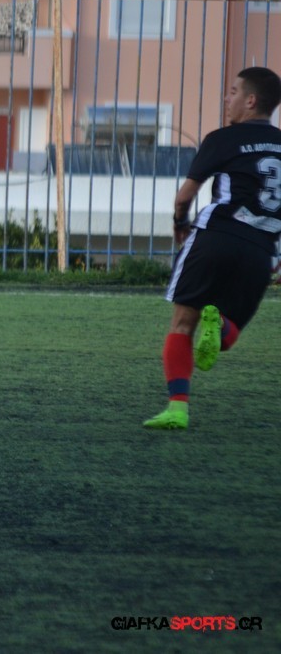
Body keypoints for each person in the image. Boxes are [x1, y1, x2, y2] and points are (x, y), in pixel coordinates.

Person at [144, 66, 281, 430]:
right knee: (228, 336)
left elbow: (185, 195)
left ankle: (177, 410)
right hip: (261, 249)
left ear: (250, 101)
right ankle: (218, 323)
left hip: (216, 236)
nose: (227, 97)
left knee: (182, 324)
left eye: (233, 91)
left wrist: (180, 224)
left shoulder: (223, 138)